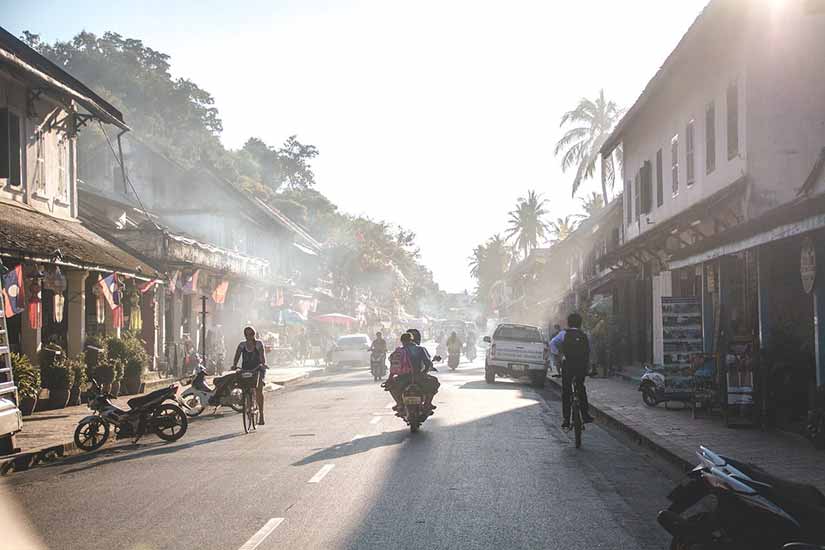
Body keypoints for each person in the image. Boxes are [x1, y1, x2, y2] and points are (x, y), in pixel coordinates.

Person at [549, 313, 594, 429]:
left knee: (566, 391)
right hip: (580, 367)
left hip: (567, 366)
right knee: (581, 388)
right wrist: (589, 366)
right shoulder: (585, 335)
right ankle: (585, 415)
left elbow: (552, 343)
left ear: (569, 323)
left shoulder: (563, 334)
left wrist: (558, 354)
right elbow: (590, 351)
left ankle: (566, 419)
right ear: (580, 323)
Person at [232, 326, 268, 425]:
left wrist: (263, 363)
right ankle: (247, 404)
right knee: (243, 387)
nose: (249, 336)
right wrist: (234, 365)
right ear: (245, 335)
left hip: (257, 369)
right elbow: (237, 355)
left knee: (259, 390)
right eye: (247, 334)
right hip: (246, 369)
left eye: (251, 334)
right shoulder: (242, 345)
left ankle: (261, 414)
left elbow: (262, 356)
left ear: (254, 334)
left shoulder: (259, 344)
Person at [407, 328, 440, 412]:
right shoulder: (420, 349)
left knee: (392, 386)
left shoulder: (399, 350)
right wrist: (424, 373)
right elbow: (428, 363)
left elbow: (393, 363)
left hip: (403, 377)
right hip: (419, 376)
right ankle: (427, 403)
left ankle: (399, 404)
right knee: (434, 382)